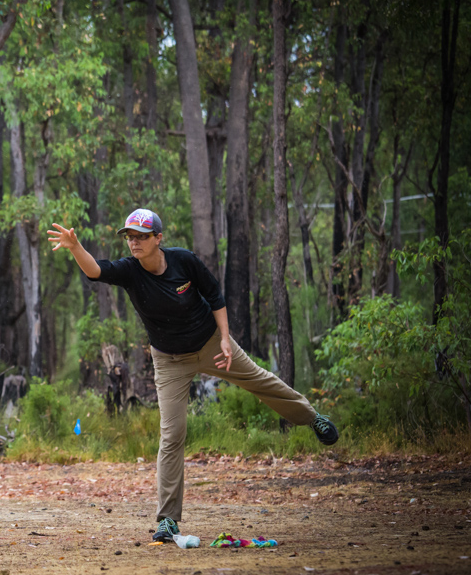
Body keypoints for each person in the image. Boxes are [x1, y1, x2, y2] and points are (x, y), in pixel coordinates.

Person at [47, 208, 338, 542]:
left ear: (159, 238)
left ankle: (312, 416)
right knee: (172, 435)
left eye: (142, 236)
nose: (134, 243)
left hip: (211, 343)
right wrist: (75, 247)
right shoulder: (129, 271)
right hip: (169, 360)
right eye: (130, 237)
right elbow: (96, 270)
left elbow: (215, 296)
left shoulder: (184, 262)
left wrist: (226, 339)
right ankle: (168, 520)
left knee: (259, 380)